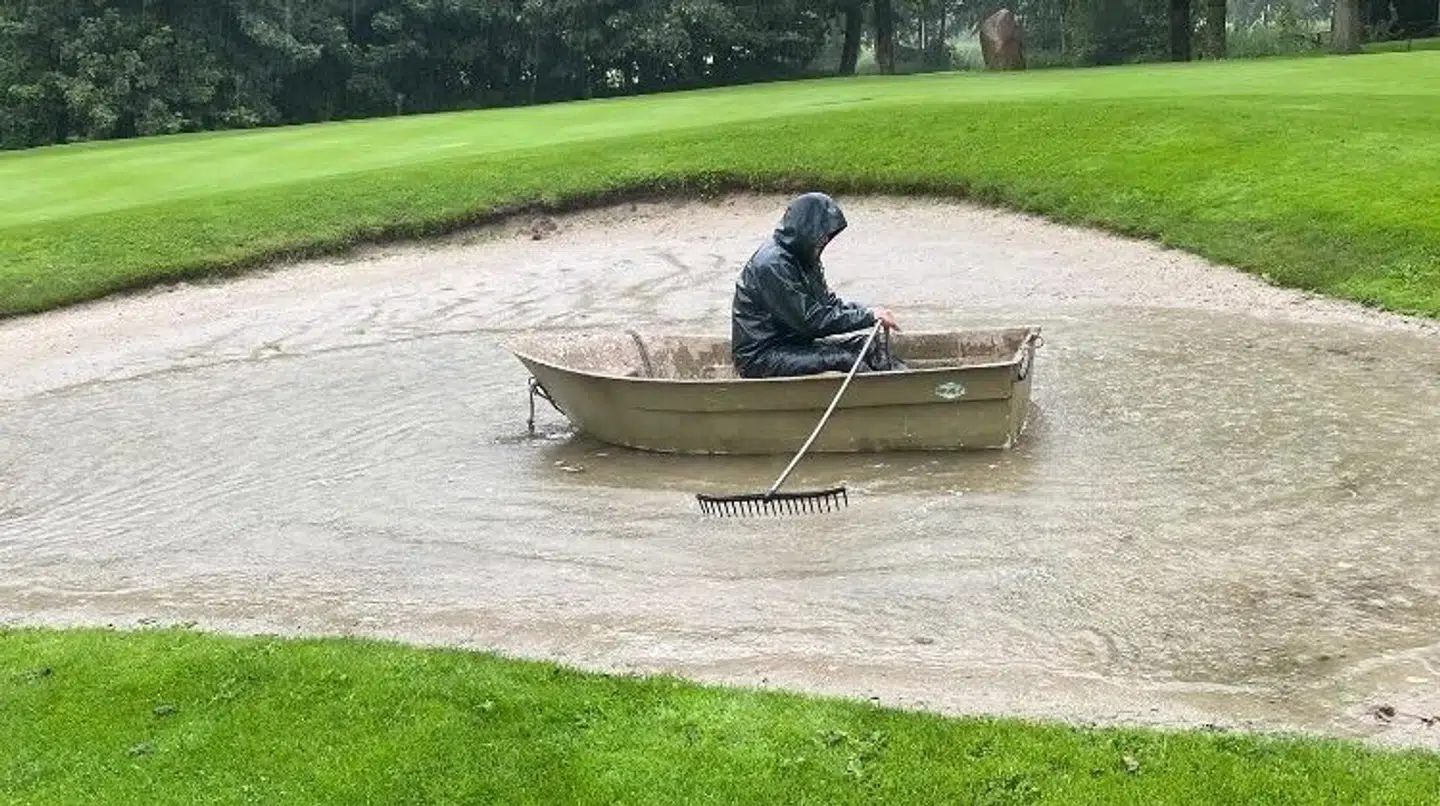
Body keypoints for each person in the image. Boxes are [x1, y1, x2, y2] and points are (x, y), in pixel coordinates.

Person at [731, 192, 905, 378]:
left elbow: (828, 305)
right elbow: (811, 321)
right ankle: (878, 397)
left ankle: (907, 385)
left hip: (795, 344)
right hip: (762, 355)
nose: (825, 240)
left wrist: (869, 311)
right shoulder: (772, 265)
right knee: (843, 359)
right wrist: (867, 317)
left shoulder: (805, 258)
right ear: (806, 230)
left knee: (868, 346)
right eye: (822, 235)